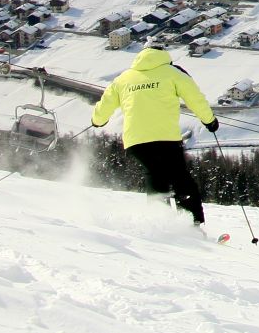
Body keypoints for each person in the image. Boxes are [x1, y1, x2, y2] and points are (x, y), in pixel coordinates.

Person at [90, 46, 219, 225]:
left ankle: (160, 222)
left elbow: (105, 103)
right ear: (165, 57)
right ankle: (192, 223)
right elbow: (195, 98)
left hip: (136, 141)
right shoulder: (172, 72)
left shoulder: (124, 78)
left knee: (155, 174)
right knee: (179, 176)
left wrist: (97, 120)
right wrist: (209, 120)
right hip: (166, 138)